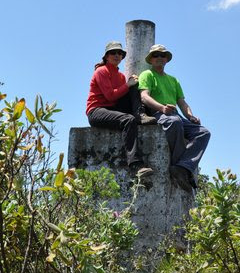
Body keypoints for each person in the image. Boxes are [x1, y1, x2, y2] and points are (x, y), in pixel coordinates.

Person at [138, 44, 211, 191]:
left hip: (174, 113)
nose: (159, 58)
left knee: (203, 132)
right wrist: (161, 107)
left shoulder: (173, 80)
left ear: (166, 59)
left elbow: (182, 102)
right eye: (156, 55)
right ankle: (180, 168)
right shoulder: (147, 74)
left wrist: (190, 116)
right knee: (175, 122)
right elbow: (144, 97)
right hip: (158, 112)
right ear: (151, 59)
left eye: (162, 55)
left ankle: (182, 167)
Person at [86, 41, 156, 178]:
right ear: (106, 56)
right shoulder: (101, 71)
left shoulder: (121, 76)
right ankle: (135, 165)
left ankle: (140, 115)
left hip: (112, 108)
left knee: (135, 85)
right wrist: (128, 85)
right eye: (113, 53)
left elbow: (121, 95)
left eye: (119, 53)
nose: (117, 55)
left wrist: (131, 84)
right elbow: (110, 96)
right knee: (128, 120)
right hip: (97, 111)